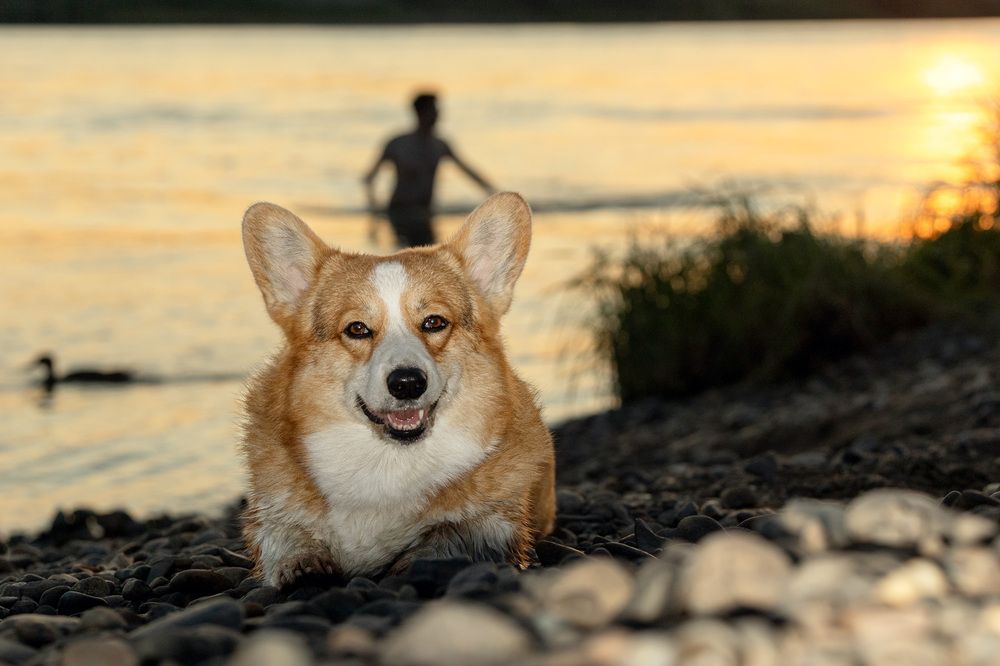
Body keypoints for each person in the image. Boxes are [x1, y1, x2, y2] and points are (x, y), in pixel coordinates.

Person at [363, 92, 495, 248]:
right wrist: (375, 212)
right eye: (433, 109)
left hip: (426, 215)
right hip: (398, 215)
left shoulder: (439, 145)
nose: (437, 114)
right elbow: (369, 178)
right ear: (420, 112)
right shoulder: (398, 144)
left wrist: (493, 194)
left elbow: (468, 172)